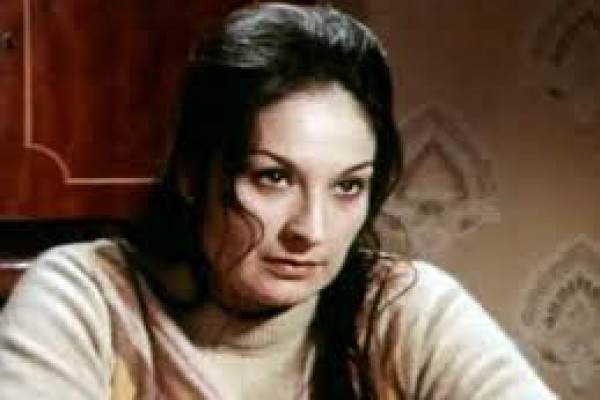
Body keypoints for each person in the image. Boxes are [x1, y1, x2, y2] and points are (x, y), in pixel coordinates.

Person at [0, 3, 557, 399]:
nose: (311, 230)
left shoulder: (402, 308)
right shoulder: (88, 298)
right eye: (273, 178)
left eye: (348, 187)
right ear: (193, 174)